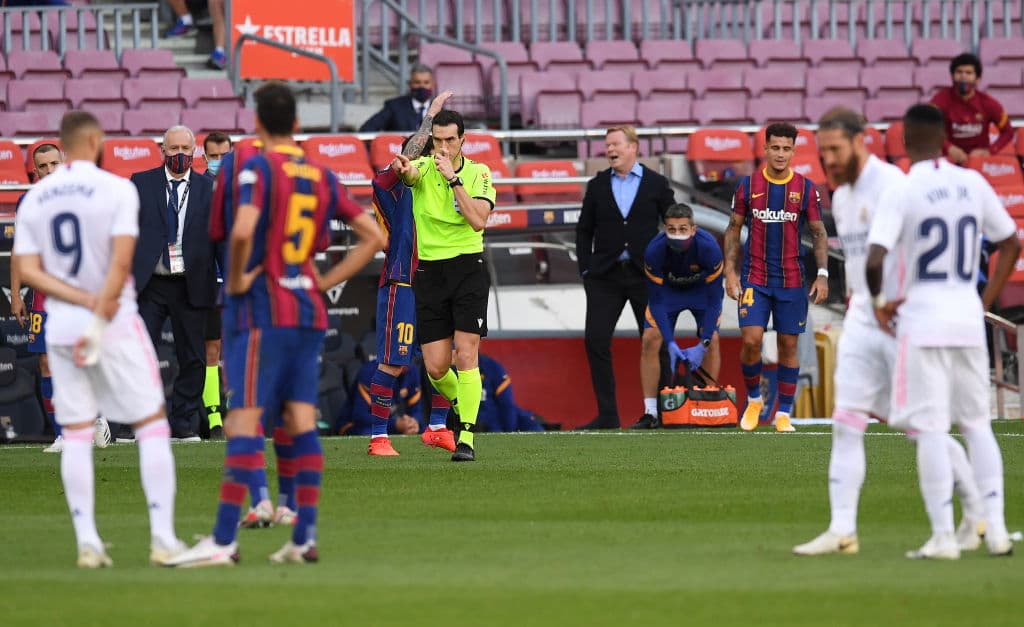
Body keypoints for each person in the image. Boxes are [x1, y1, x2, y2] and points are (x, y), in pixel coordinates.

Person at [165, 82, 383, 567]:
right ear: (298, 125)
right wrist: (323, 278)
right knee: (301, 421)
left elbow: (242, 229)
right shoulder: (321, 174)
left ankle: (223, 540)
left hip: (261, 310)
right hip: (307, 309)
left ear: (259, 124)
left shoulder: (256, 167)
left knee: (243, 421)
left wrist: (239, 277)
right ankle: (303, 537)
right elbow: (372, 236)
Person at [794, 107, 986, 556]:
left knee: (917, 425)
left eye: (836, 149)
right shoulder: (841, 195)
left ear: (863, 140)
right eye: (823, 152)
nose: (829, 159)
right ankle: (842, 530)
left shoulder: (894, 186)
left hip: (899, 318)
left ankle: (975, 511)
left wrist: (905, 302)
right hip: (862, 313)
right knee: (847, 419)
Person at [13, 110, 185, 568]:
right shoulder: (116, 189)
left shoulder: (37, 197)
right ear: (94, 140)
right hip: (115, 319)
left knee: (74, 434)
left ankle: (88, 542)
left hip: (65, 324)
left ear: (63, 146)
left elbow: (27, 270)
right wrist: (99, 304)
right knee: (151, 426)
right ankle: (163, 538)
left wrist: (76, 300)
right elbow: (122, 262)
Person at [865, 104, 1019, 559]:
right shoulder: (972, 182)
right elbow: (1011, 242)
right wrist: (983, 302)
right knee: (977, 425)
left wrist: (878, 305)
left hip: (922, 319)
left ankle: (943, 537)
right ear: (945, 135)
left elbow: (875, 260)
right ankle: (997, 531)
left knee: (931, 428)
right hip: (967, 317)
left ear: (906, 140)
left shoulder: (904, 188)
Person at [391, 108, 496, 462]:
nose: (444, 147)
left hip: (468, 268)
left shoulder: (479, 173)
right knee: (435, 367)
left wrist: (454, 179)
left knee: (466, 355)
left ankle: (465, 436)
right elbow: (404, 172)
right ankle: (462, 403)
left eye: (451, 140)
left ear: (462, 140)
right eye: (438, 140)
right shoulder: (421, 170)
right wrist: (404, 167)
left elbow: (478, 220)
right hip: (431, 272)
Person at [366, 90, 457, 456]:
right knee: (394, 362)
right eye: (425, 148)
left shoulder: (434, 185)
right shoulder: (391, 185)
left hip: (435, 280)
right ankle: (378, 437)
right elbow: (410, 156)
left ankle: (437, 427)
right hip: (402, 281)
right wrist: (429, 119)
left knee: (441, 360)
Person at [724, 122, 829, 433]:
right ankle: (755, 399)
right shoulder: (747, 186)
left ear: (793, 151)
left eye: (787, 149)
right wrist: (729, 272)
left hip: (792, 280)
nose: (781, 154)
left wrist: (822, 275)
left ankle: (783, 413)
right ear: (765, 149)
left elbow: (819, 232)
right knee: (752, 340)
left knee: (787, 344)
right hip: (755, 277)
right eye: (775, 148)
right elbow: (733, 229)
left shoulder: (806, 189)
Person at [576, 126, 676, 430]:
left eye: (615, 144)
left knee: (655, 342)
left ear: (634, 147)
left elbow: (675, 224)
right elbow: (584, 230)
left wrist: (669, 268)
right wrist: (586, 270)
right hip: (604, 277)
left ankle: (664, 412)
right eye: (607, 146)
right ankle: (607, 415)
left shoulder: (657, 183)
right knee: (595, 341)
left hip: (646, 276)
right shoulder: (597, 185)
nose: (610, 150)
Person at [130, 125, 217, 442]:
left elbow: (218, 238)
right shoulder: (141, 183)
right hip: (150, 282)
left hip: (191, 282)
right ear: (162, 150)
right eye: (173, 148)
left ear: (194, 152)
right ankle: (137, 422)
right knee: (137, 353)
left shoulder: (209, 188)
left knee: (192, 357)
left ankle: (183, 424)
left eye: (185, 148)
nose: (179, 154)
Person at [632, 203, 724, 429]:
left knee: (712, 340)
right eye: (672, 229)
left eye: (683, 229)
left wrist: (702, 345)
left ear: (693, 229)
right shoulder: (654, 250)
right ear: (665, 229)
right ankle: (651, 412)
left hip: (702, 293)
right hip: (668, 293)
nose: (677, 234)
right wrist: (670, 342)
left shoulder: (709, 248)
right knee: (650, 339)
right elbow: (657, 301)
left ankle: (707, 406)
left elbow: (714, 301)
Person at [8, 143, 73, 453]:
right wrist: (18, 294)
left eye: (54, 164)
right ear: (34, 171)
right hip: (43, 295)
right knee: (47, 362)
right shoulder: (28, 201)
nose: (49, 171)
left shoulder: (81, 197)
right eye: (42, 167)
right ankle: (62, 434)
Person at [198, 130, 232, 440]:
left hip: (243, 281)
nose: (219, 162)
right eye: (214, 157)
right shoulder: (197, 190)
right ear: (205, 157)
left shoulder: (247, 189)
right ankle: (213, 419)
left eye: (225, 156)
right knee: (212, 349)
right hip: (210, 280)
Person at [929, 52, 1013, 166]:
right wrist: (948, 147)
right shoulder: (939, 100)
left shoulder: (988, 103)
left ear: (978, 79)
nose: (963, 76)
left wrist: (989, 151)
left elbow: (1008, 132)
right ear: (952, 76)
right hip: (949, 162)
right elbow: (927, 128)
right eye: (959, 72)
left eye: (969, 73)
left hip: (979, 163)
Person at [342, 359, 424, 437]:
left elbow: (416, 409)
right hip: (357, 425)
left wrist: (413, 423)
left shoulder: (411, 369)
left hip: (393, 422)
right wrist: (395, 425)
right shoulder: (369, 371)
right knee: (368, 433)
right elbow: (360, 417)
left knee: (426, 432)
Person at [475, 353, 546, 433]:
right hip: (471, 429)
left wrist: (509, 431)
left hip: (497, 429)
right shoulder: (458, 372)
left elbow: (507, 404)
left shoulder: (491, 367)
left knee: (532, 424)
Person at [359, 64, 436, 132]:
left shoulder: (439, 110)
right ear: (410, 84)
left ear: (433, 85)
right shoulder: (394, 107)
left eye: (426, 82)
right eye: (417, 82)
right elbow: (367, 129)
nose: (421, 86)